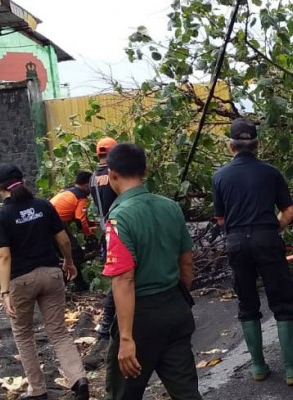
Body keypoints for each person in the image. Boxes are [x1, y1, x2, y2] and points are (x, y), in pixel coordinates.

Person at [211, 118, 293, 385]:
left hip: (236, 243)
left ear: (230, 146)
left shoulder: (219, 176)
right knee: (282, 302)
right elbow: (290, 211)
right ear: (257, 145)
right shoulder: (271, 173)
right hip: (267, 239)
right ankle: (292, 369)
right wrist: (271, 229)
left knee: (247, 303)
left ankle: (258, 367)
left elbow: (220, 219)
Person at [102, 143, 202, 400]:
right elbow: (187, 264)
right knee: (187, 392)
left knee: (123, 393)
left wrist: (126, 338)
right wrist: (177, 298)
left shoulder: (119, 218)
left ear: (112, 174)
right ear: (145, 170)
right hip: (175, 308)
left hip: (140, 318)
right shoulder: (170, 207)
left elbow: (123, 279)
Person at [0, 163, 89, 400]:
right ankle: (78, 378)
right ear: (22, 181)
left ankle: (38, 389)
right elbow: (64, 240)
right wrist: (69, 262)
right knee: (59, 332)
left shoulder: (1, 216)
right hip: (51, 274)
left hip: (21, 281)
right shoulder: (43, 205)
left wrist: (4, 292)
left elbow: (3, 255)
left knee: (24, 334)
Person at [83, 137, 118, 370]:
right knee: (121, 277)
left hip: (106, 228)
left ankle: (109, 323)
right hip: (120, 227)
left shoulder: (93, 178)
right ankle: (107, 324)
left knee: (117, 274)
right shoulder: (116, 175)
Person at [50, 170, 95, 292]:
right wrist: (89, 234)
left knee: (61, 255)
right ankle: (73, 284)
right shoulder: (81, 197)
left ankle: (76, 284)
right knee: (75, 253)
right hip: (54, 223)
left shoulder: (67, 190)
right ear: (87, 185)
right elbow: (80, 218)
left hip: (47, 221)